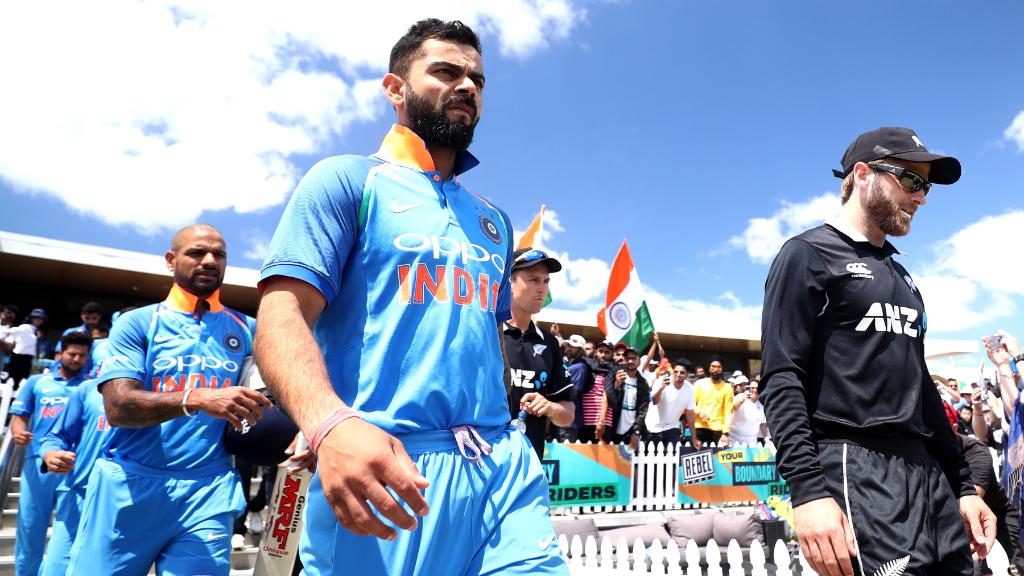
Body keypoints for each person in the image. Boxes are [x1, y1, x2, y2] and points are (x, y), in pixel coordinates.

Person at [254, 19, 568, 576]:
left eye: (477, 78)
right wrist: (327, 421)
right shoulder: (346, 180)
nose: (467, 86)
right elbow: (280, 316)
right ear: (395, 88)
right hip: (389, 466)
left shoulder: (494, 219)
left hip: (500, 464)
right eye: (446, 71)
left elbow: (484, 339)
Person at [760, 127, 994, 576]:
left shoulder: (903, 278)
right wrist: (808, 492)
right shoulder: (807, 254)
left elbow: (921, 387)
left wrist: (963, 486)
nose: (921, 197)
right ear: (863, 174)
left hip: (926, 472)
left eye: (925, 186)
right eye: (911, 180)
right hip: (854, 464)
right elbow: (781, 376)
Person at [67, 224, 274, 575]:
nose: (209, 261)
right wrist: (194, 398)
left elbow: (276, 398)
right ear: (170, 260)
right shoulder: (137, 323)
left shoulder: (248, 329)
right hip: (130, 486)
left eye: (219, 255)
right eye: (196, 252)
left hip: (208, 490)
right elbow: (118, 408)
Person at [9, 330, 91, 576]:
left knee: (72, 533)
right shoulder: (37, 382)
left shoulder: (91, 388)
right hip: (38, 465)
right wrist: (18, 433)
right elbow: (19, 418)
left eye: (82, 355)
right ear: (59, 353)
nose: (76, 359)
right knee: (30, 527)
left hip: (77, 467)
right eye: (72, 353)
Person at [37, 372, 113, 576]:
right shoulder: (88, 389)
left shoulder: (157, 391)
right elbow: (57, 436)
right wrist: (50, 453)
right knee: (56, 567)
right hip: (79, 494)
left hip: (127, 500)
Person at [503, 248, 574, 458]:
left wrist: (551, 407)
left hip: (530, 464)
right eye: (533, 279)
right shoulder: (487, 333)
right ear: (509, 282)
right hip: (483, 462)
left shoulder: (550, 343)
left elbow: (568, 413)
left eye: (545, 281)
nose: (542, 288)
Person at [598, 347, 649, 447]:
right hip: (612, 427)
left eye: (634, 358)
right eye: (627, 358)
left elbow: (643, 410)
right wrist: (617, 385)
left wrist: (636, 431)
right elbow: (610, 400)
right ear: (624, 360)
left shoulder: (643, 383)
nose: (630, 361)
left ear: (639, 361)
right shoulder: (614, 375)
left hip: (631, 430)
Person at [643, 359, 697, 447]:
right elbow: (655, 401)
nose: (678, 374)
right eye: (676, 371)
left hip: (672, 427)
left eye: (682, 373)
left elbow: (690, 414)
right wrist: (662, 388)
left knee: (673, 456)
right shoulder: (661, 381)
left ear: (687, 374)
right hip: (653, 427)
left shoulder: (690, 389)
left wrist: (694, 438)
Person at [558, 334, 591, 442]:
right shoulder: (569, 365)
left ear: (580, 350)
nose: (568, 348)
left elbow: (573, 393)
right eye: (568, 345)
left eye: (572, 346)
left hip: (570, 420)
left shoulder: (580, 367)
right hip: (562, 416)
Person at [580, 340, 615, 443]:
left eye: (607, 352)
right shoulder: (588, 366)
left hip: (601, 422)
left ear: (612, 354)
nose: (603, 355)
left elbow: (606, 396)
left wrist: (601, 421)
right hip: (585, 419)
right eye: (601, 351)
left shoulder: (612, 371)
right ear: (596, 352)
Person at [2, 307, 46, 387]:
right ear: (31, 318)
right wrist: (5, 333)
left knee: (24, 380)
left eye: (41, 319)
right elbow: (13, 331)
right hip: (19, 358)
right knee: (13, 380)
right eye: (36, 318)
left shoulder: (36, 331)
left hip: (29, 358)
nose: (38, 320)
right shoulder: (25, 327)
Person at [693, 360, 733, 446]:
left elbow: (728, 411)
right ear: (709, 368)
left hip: (718, 429)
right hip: (700, 426)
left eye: (718, 367)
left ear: (722, 370)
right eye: (713, 366)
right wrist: (699, 412)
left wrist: (725, 433)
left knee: (716, 458)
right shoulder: (699, 384)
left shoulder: (727, 388)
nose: (715, 369)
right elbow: (690, 403)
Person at [727, 379, 766, 446]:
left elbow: (762, 424)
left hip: (751, 440)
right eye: (752, 388)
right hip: (734, 439)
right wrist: (742, 400)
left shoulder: (762, 404)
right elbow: (731, 409)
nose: (755, 390)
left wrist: (766, 437)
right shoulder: (740, 397)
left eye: (757, 388)